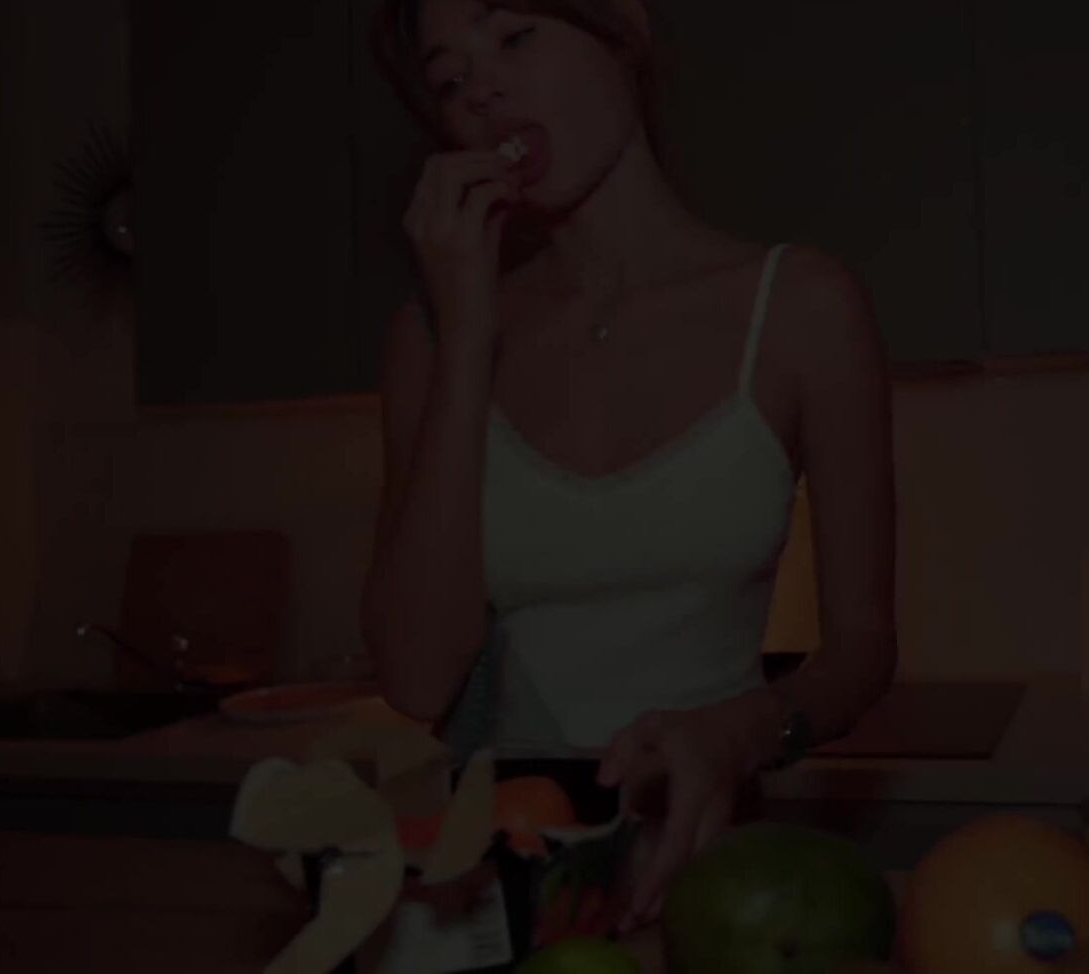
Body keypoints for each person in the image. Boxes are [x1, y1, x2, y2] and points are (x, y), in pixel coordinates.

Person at [361, 0, 897, 925]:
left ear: (624, 33)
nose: (481, 90)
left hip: (715, 891)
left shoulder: (804, 306)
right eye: (449, 80)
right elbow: (416, 677)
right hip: (502, 898)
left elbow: (863, 651)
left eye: (514, 36)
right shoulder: (429, 340)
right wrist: (469, 334)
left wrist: (742, 729)